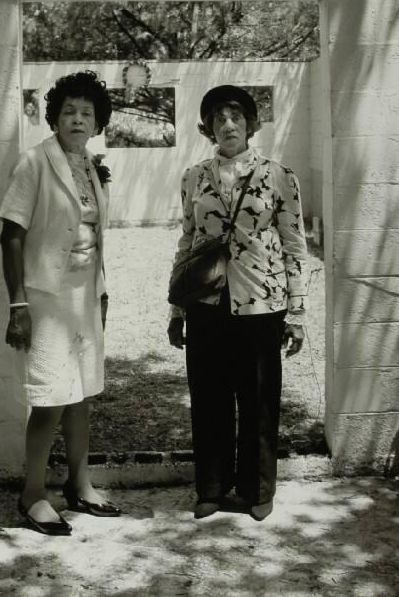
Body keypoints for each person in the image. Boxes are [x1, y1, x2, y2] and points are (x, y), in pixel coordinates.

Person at [168, 85, 308, 521]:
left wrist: (298, 313)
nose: (227, 124)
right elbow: (187, 241)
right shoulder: (194, 176)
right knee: (208, 397)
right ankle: (210, 488)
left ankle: (256, 490)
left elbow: (294, 247)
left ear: (250, 125)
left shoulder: (279, 175)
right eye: (218, 118)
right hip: (207, 303)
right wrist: (175, 308)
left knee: (259, 400)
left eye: (236, 117)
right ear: (207, 127)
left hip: (262, 304)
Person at [0, 71, 121, 536]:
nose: (77, 119)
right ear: (54, 117)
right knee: (50, 397)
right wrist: (18, 305)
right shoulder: (33, 163)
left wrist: (102, 292)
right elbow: (11, 235)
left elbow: (97, 236)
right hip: (45, 297)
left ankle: (79, 484)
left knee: (82, 395)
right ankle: (31, 493)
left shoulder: (92, 167)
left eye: (86, 113)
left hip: (84, 295)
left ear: (97, 122)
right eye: (68, 111)